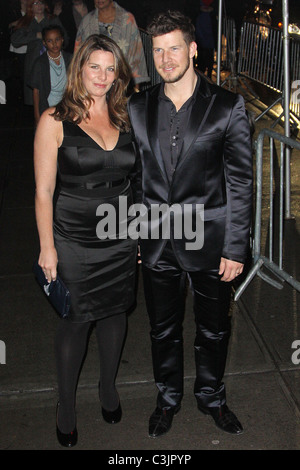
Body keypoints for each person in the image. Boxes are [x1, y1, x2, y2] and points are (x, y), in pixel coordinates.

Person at [127, 10, 253, 438]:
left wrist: (236, 248)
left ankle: (211, 397)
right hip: (158, 242)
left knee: (214, 328)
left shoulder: (227, 105)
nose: (165, 59)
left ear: (193, 49)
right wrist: (138, 233)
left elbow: (239, 181)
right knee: (162, 329)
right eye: (158, 50)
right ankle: (167, 399)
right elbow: (137, 178)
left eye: (174, 48)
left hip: (213, 243)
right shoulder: (138, 104)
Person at [34, 34, 141, 447]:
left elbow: (137, 182)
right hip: (73, 239)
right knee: (76, 321)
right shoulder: (54, 120)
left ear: (119, 74)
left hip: (119, 235)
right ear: (80, 68)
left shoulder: (128, 115)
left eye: (110, 68)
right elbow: (43, 191)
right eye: (95, 66)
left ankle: (108, 387)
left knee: (115, 314)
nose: (102, 76)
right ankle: (66, 404)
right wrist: (48, 248)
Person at [74, 0, 149, 88]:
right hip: (93, 82)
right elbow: (78, 56)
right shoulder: (87, 21)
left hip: (120, 82)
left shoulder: (127, 19)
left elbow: (136, 53)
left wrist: (136, 87)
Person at [10, 0, 68, 106]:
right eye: (35, 3)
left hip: (54, 62)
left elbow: (65, 38)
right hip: (34, 63)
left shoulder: (52, 19)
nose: (39, 6)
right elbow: (15, 40)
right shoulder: (27, 21)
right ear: (30, 6)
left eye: (41, 3)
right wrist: (35, 36)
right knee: (36, 97)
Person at [29, 25, 72, 126]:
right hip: (48, 108)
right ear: (44, 43)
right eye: (49, 41)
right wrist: (37, 116)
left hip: (67, 107)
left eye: (57, 39)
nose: (54, 44)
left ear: (62, 39)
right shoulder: (40, 63)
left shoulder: (69, 59)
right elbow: (36, 92)